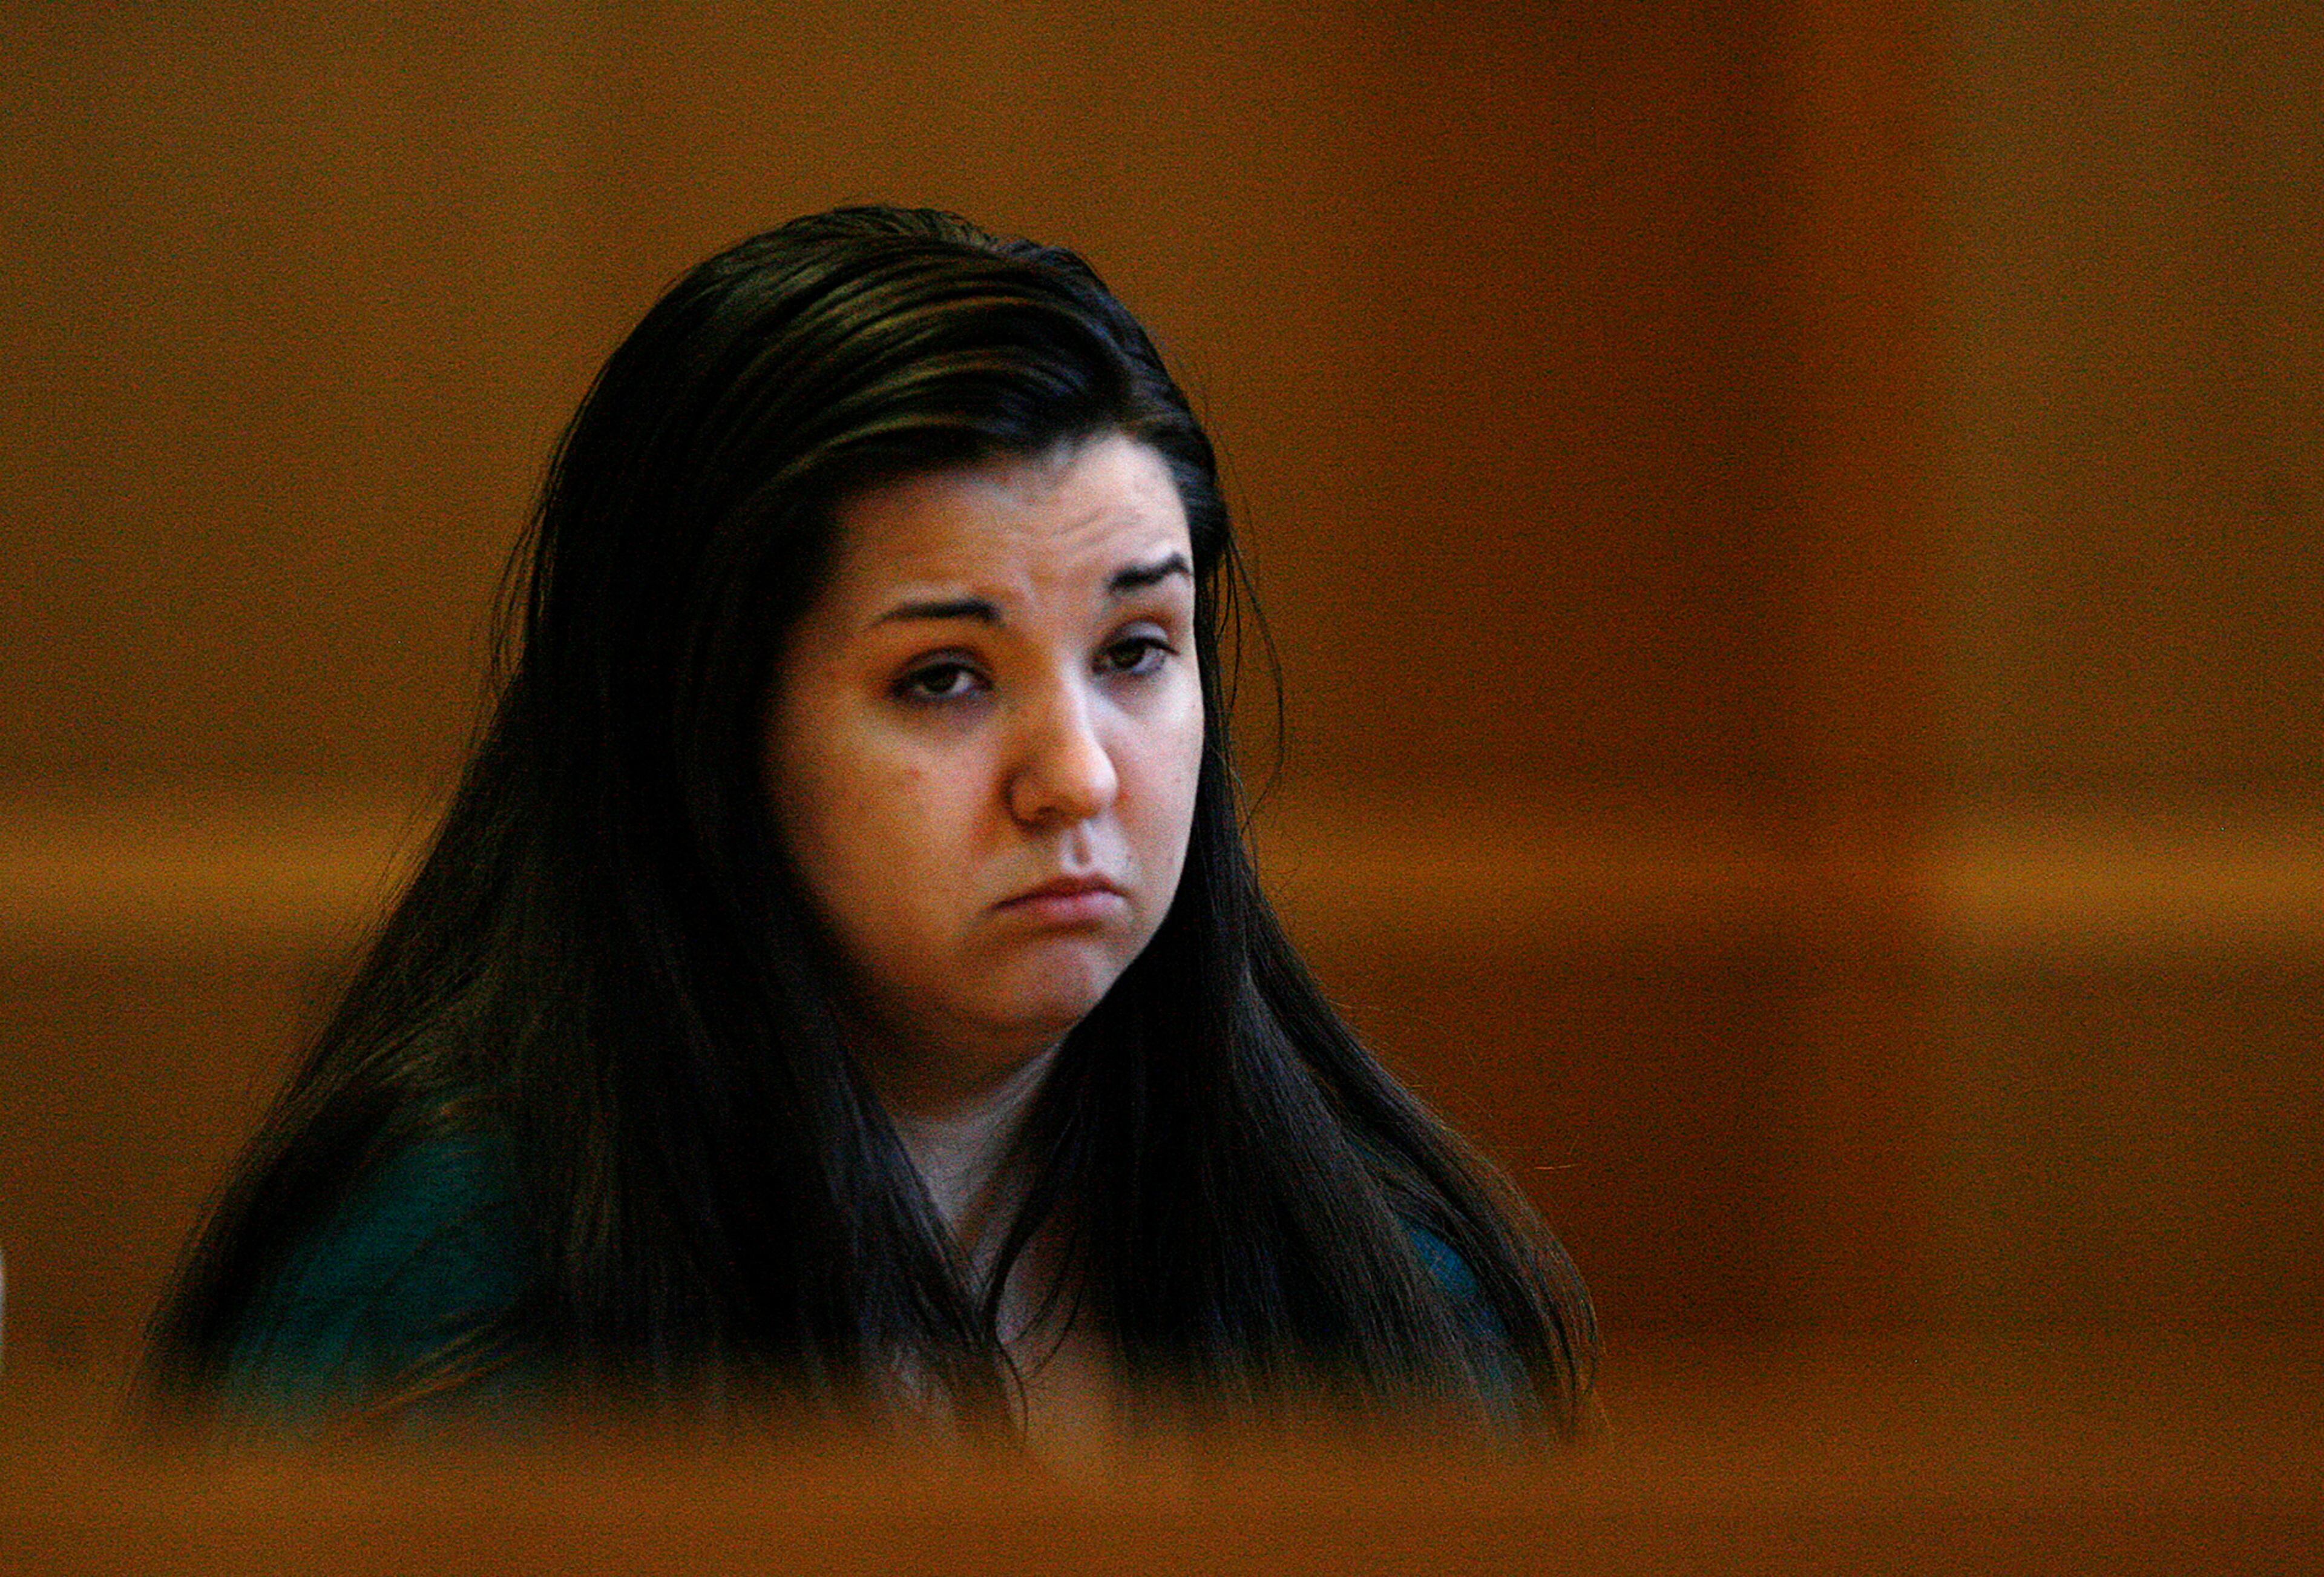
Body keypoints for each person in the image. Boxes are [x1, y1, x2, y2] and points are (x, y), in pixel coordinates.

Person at [139, 206, 1597, 1447]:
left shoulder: (1378, 1285)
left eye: (1137, 650)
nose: (1079, 778)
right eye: (943, 679)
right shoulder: (446, 1297)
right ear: (706, 730)